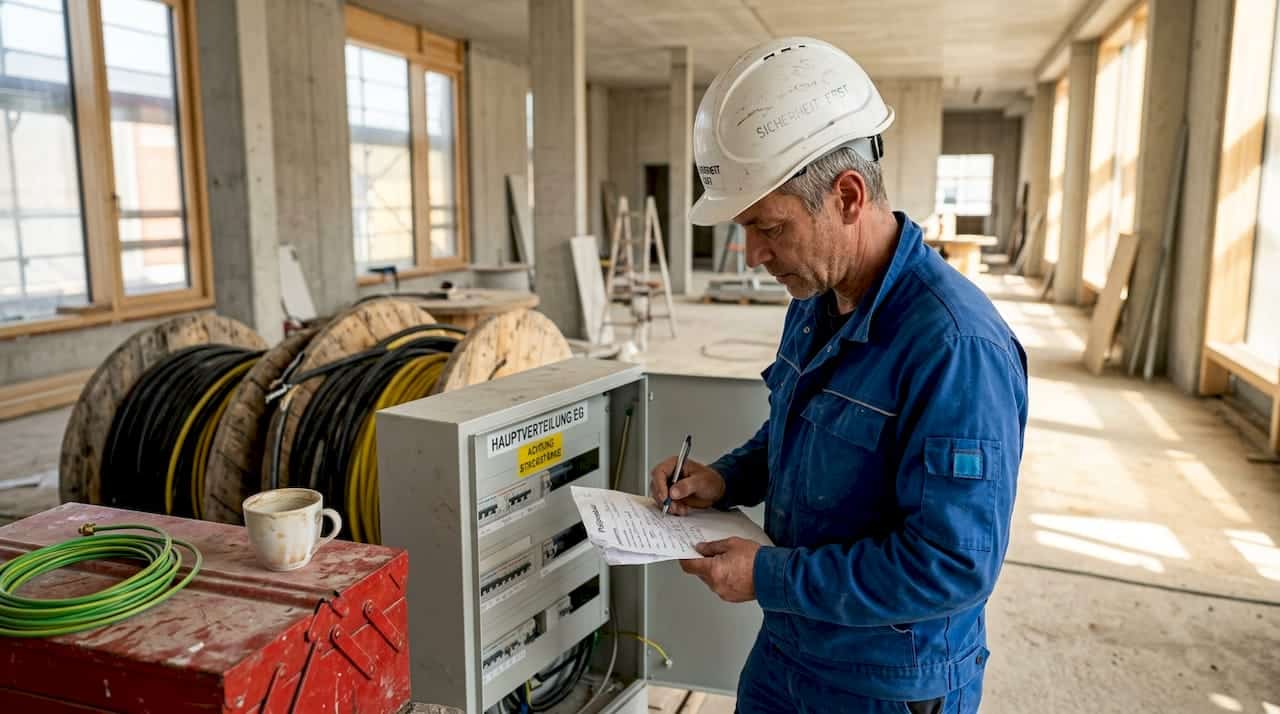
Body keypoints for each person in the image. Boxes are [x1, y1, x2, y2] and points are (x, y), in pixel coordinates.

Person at [649, 37, 1028, 714]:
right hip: (793, 649)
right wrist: (727, 477)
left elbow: (951, 564)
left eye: (768, 227)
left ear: (848, 195)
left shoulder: (955, 347)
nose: (754, 253)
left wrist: (772, 575)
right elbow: (798, 424)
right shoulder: (815, 295)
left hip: (887, 684)